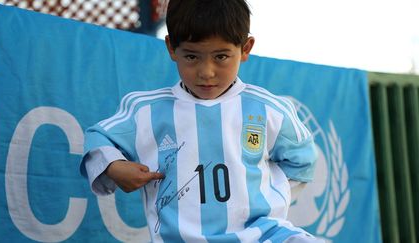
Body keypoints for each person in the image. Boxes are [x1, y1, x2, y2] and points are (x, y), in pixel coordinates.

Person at [81, 0, 322, 242]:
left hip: (263, 235)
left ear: (245, 48)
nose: (206, 72)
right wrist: (114, 166)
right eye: (192, 56)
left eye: (221, 56)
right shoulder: (145, 110)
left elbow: (302, 160)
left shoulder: (269, 109)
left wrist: (260, 192)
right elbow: (98, 138)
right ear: (171, 48)